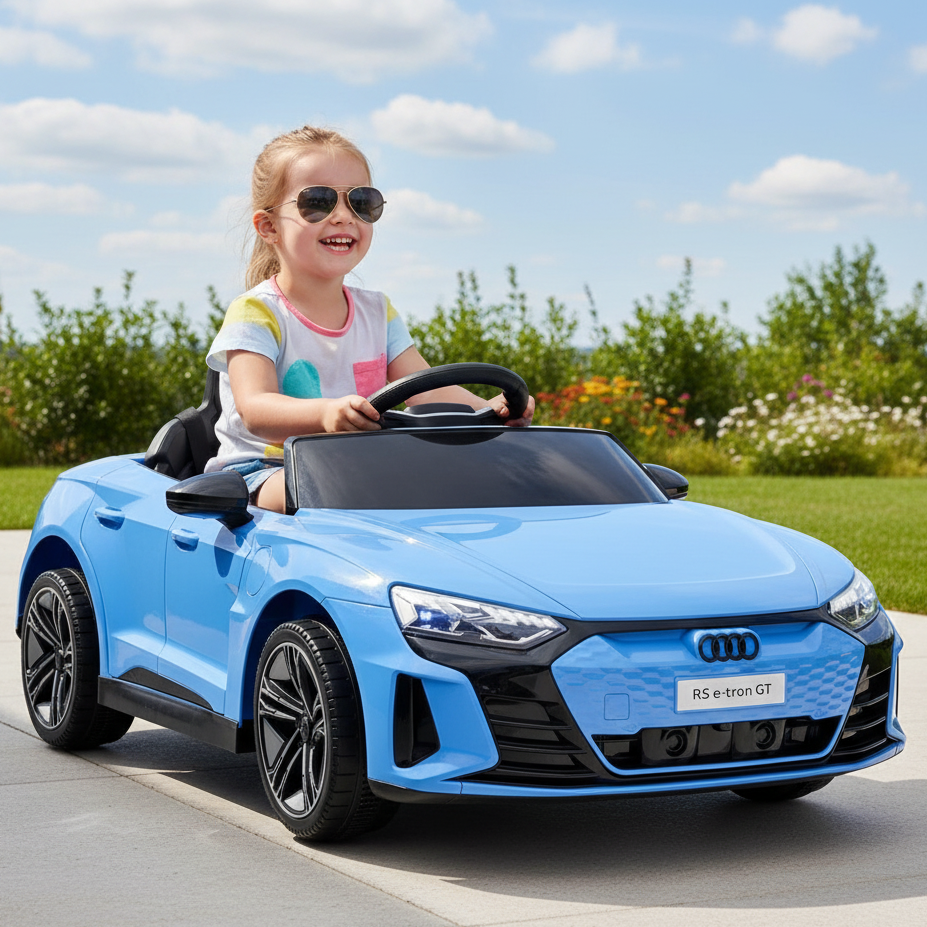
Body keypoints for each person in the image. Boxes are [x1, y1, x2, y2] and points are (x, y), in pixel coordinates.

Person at [205, 125, 535, 512]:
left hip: (358, 468)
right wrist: (326, 413)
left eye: (361, 202)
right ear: (269, 227)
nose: (344, 216)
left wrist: (489, 411)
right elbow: (256, 409)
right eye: (318, 202)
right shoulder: (257, 312)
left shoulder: (378, 312)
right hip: (264, 471)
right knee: (332, 492)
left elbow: (425, 389)